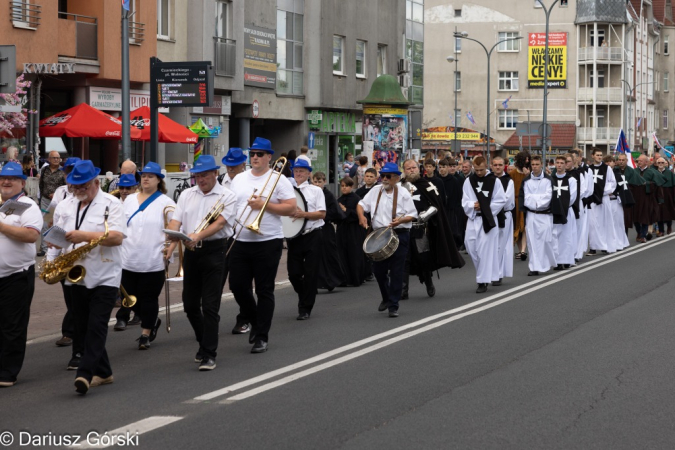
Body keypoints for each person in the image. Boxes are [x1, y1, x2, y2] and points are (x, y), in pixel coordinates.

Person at [52, 160, 126, 395]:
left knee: (96, 325)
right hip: (74, 274)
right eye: (74, 186)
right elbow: (56, 238)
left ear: (96, 182)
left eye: (83, 185)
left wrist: (84, 235)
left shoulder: (111, 204)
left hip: (105, 274)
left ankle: (84, 373)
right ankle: (104, 373)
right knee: (82, 326)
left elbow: (116, 237)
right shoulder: (65, 206)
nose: (78, 190)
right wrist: (53, 262)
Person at [165, 155, 236, 370]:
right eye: (197, 175)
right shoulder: (187, 194)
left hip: (215, 250)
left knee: (210, 305)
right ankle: (203, 342)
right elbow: (176, 220)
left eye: (204, 174)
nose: (200, 178)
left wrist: (198, 235)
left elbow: (221, 223)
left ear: (215, 174)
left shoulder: (227, 195)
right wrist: (170, 241)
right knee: (190, 304)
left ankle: (209, 353)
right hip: (191, 251)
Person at [228, 137, 297, 354]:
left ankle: (262, 336)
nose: (255, 157)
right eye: (253, 154)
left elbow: (291, 208)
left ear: (269, 157)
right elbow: (231, 204)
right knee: (237, 286)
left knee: (265, 289)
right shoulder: (238, 178)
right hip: (240, 239)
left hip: (268, 240)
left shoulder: (279, 179)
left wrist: (264, 206)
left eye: (260, 154)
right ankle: (256, 321)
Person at [120, 162, 175, 350]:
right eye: (143, 175)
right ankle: (151, 321)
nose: (145, 179)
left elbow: (175, 229)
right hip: (128, 258)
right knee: (128, 298)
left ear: (158, 180)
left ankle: (145, 333)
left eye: (150, 176)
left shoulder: (166, 202)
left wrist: (171, 247)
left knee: (149, 298)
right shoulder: (129, 199)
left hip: (153, 259)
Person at [0, 162, 43, 387]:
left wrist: (1, 227)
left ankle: (7, 372)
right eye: (3, 179)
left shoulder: (28, 206)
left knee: (12, 325)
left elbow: (30, 236)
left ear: (22, 183)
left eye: (12, 179)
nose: (6, 182)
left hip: (16, 275)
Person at [357, 163, 417, 317]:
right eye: (382, 175)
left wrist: (400, 221)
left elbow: (412, 215)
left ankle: (393, 306)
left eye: (388, 176)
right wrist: (362, 216)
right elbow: (361, 204)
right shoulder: (375, 190)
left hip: (399, 233)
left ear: (396, 178)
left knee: (397, 271)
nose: (384, 179)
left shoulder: (403, 193)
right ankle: (387, 297)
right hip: (379, 234)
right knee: (379, 271)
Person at [402, 159, 464, 298]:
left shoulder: (426, 185)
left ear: (419, 169)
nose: (411, 170)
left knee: (423, 258)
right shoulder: (399, 187)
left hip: (420, 228)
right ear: (404, 170)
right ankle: (403, 289)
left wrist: (424, 215)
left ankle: (428, 282)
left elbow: (436, 205)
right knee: (404, 258)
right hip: (403, 228)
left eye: (414, 167)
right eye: (408, 168)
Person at [47, 157, 81, 353]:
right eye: (68, 172)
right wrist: (51, 258)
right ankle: (74, 332)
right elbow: (53, 219)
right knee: (71, 299)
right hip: (66, 256)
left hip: (87, 258)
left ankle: (73, 335)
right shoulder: (62, 196)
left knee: (81, 302)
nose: (70, 176)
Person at [285, 159, 326, 320]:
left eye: (302, 171)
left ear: (309, 173)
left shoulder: (316, 191)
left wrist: (304, 214)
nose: (298, 173)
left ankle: (305, 307)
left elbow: (322, 214)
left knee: (310, 273)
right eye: (296, 171)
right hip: (294, 236)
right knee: (293, 274)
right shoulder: (288, 191)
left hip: (312, 234)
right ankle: (305, 295)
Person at [462, 156, 507, 293]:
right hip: (473, 218)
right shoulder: (469, 181)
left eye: (481, 170)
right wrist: (472, 205)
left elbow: (500, 200)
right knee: (471, 247)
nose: (479, 173)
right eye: (476, 170)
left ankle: (482, 281)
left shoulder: (494, 181)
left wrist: (485, 207)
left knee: (485, 251)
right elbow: (465, 200)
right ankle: (484, 274)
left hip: (487, 219)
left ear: (486, 166)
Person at [220, 148, 250, 334]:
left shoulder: (248, 181)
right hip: (222, 235)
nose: (230, 168)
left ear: (242, 165)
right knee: (216, 280)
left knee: (240, 284)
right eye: (228, 165)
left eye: (234, 165)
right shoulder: (220, 180)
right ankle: (210, 318)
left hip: (240, 235)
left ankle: (245, 318)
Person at [113, 174, 142, 331]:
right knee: (123, 283)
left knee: (135, 284)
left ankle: (136, 313)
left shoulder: (140, 202)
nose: (124, 191)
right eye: (122, 188)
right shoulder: (114, 203)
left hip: (135, 247)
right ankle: (123, 316)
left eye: (128, 188)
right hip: (118, 248)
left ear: (135, 188)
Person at [519, 156, 556, 276]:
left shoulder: (548, 180)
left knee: (546, 240)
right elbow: (525, 198)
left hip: (545, 214)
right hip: (531, 215)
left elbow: (548, 197)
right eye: (533, 164)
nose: (535, 167)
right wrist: (535, 200)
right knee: (532, 241)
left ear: (541, 165)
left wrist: (535, 200)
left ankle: (548, 262)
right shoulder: (526, 181)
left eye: (537, 164)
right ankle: (534, 267)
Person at [313, 171, 346, 291]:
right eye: (315, 181)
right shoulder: (310, 193)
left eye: (319, 182)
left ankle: (333, 280)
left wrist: (322, 215)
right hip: (314, 228)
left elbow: (336, 212)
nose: (317, 184)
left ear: (324, 182)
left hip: (326, 228)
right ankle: (317, 282)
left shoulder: (328, 195)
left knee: (330, 254)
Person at [586, 149, 617, 254]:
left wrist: (603, 191)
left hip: (603, 198)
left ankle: (605, 245)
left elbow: (612, 183)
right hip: (592, 199)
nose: (599, 157)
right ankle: (593, 247)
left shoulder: (607, 168)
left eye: (601, 155)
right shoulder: (588, 169)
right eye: (597, 155)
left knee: (604, 222)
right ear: (592, 156)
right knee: (593, 224)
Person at [337, 177, 366, 287]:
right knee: (342, 253)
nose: (344, 188)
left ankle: (356, 278)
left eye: (346, 186)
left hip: (353, 230)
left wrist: (346, 211)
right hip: (342, 229)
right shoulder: (339, 199)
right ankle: (344, 278)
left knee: (354, 253)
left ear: (351, 187)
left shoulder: (356, 199)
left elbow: (360, 214)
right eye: (342, 186)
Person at [550, 156, 578, 270]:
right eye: (558, 163)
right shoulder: (550, 179)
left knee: (566, 236)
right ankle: (557, 261)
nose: (560, 165)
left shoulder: (571, 180)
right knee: (554, 236)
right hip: (553, 211)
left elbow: (572, 197)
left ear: (565, 164)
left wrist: (562, 206)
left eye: (562, 163)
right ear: (555, 164)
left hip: (567, 210)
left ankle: (566, 260)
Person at [491, 157, 515, 282]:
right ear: (491, 166)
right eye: (495, 165)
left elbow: (506, 200)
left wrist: (491, 207)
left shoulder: (508, 181)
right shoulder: (488, 179)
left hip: (504, 215)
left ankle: (498, 274)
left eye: (500, 165)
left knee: (501, 245)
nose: (498, 167)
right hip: (489, 215)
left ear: (504, 166)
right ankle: (490, 272)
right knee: (491, 246)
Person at [38, 151, 66, 256]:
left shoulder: (63, 171)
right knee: (45, 223)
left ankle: (57, 248)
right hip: (45, 200)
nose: (56, 160)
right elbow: (41, 185)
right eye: (54, 158)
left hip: (59, 201)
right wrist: (41, 197)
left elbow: (65, 187)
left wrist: (57, 193)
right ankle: (44, 249)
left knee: (57, 223)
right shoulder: (44, 170)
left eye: (58, 158)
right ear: (49, 159)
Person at [634, 154, 664, 242]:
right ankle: (639, 232)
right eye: (638, 161)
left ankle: (643, 236)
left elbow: (657, 184)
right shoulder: (634, 171)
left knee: (645, 217)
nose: (639, 162)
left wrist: (647, 184)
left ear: (646, 162)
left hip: (647, 198)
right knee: (635, 218)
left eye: (641, 161)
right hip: (636, 198)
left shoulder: (652, 172)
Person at [509, 151, 530, 261]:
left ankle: (523, 250)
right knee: (517, 227)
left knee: (525, 227)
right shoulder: (512, 174)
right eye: (525, 159)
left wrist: (528, 175)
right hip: (516, 202)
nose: (527, 161)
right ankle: (520, 250)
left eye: (528, 159)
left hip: (526, 202)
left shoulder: (530, 174)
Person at [615, 153, 643, 234]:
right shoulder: (615, 170)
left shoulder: (631, 171)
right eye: (619, 160)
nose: (621, 162)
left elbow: (636, 183)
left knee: (626, 218)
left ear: (626, 161)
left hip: (627, 198)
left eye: (623, 160)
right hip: (617, 198)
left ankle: (626, 236)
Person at [655, 157, 675, 235]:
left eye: (662, 163)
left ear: (665, 164)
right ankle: (661, 230)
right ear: (656, 164)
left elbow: (673, 185)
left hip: (667, 194)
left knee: (668, 212)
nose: (660, 164)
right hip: (658, 195)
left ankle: (669, 226)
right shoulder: (654, 172)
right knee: (659, 213)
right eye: (659, 163)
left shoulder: (669, 173)